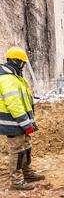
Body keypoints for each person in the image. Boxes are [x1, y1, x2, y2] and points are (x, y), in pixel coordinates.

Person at [0, 47, 45, 190]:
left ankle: (27, 173)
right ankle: (17, 181)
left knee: (26, 147)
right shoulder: (8, 79)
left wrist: (29, 122)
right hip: (13, 123)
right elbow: (14, 104)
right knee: (17, 151)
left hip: (20, 122)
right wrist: (26, 124)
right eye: (22, 63)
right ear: (16, 61)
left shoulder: (15, 77)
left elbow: (25, 101)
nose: (24, 66)